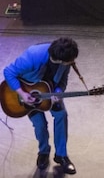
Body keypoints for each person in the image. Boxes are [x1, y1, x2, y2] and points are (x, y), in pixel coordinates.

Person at [3, 37, 80, 174]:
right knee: (40, 124)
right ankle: (43, 152)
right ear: (59, 60)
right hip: (28, 93)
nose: (72, 62)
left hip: (49, 93)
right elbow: (8, 72)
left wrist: (58, 92)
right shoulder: (33, 55)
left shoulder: (67, 58)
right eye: (69, 61)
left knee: (61, 115)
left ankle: (61, 155)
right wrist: (22, 93)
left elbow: (63, 80)